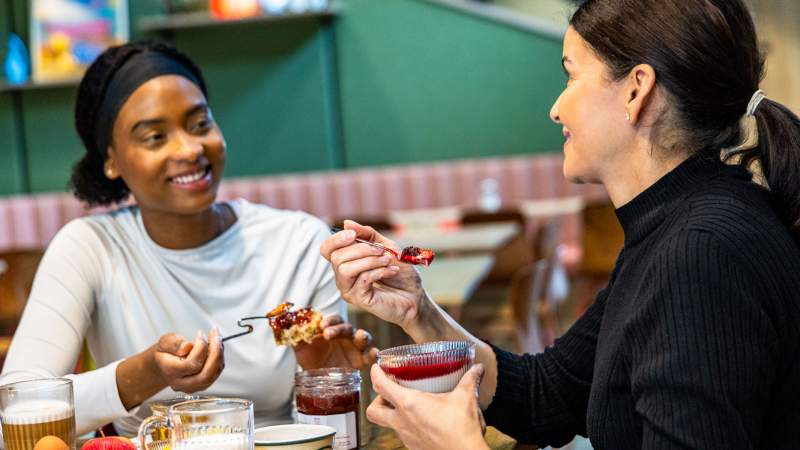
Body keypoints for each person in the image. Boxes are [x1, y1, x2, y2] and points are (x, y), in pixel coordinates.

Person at [321, 0, 800, 448]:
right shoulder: (674, 228)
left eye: (572, 77)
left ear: (637, 89)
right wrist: (417, 310)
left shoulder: (700, 249)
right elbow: (546, 394)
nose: (556, 108)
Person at [0, 41, 375, 437]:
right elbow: (15, 409)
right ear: (110, 159)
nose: (191, 148)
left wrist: (322, 380)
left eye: (200, 124)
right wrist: (142, 374)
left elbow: (334, 435)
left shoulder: (301, 242)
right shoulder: (90, 247)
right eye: (155, 136)